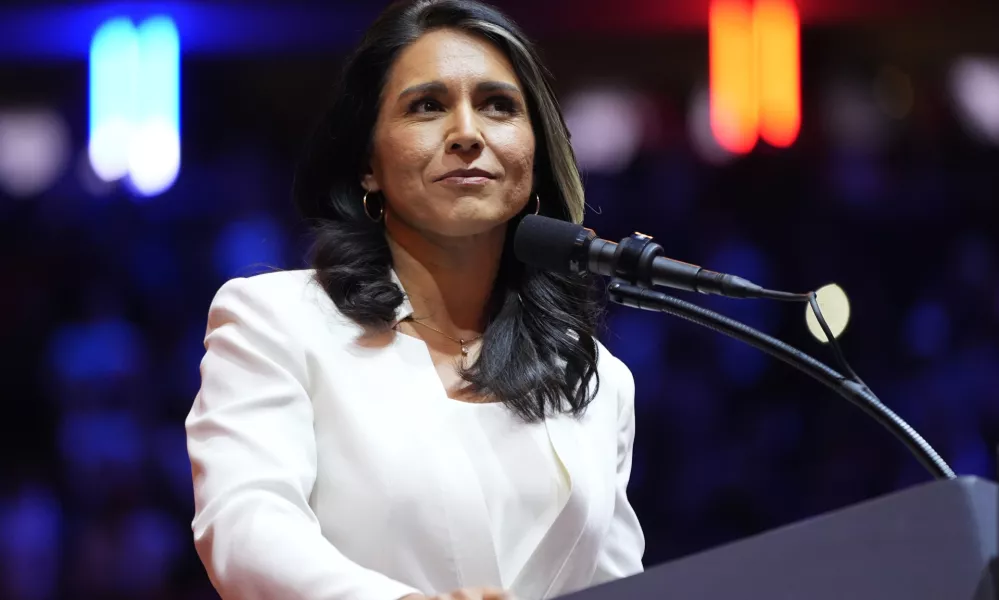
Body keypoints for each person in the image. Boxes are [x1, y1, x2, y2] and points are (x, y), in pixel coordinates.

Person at [184, 0, 645, 598]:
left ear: (535, 150)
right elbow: (247, 529)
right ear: (367, 165)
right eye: (427, 106)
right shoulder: (275, 322)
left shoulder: (596, 377)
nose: (467, 134)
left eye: (498, 106)